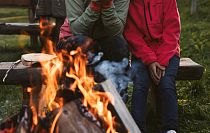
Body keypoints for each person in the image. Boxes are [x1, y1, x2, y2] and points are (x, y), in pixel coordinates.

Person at [124, 0, 181, 133]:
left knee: (166, 83)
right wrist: (150, 60)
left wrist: (161, 62)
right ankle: (136, 128)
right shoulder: (131, 3)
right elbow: (131, 34)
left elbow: (172, 31)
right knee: (140, 86)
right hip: (141, 53)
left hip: (168, 52)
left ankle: (170, 128)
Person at [57, 0, 130, 61]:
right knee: (79, 44)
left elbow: (116, 32)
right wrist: (95, 6)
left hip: (106, 37)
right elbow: (77, 31)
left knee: (118, 46)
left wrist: (107, 5)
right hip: (74, 36)